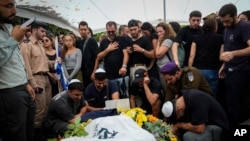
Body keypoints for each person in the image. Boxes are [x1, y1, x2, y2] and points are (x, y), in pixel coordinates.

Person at [0, 0, 35, 140]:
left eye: (14, 5)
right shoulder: (12, 34)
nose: (14, 11)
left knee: (29, 135)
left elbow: (13, 62)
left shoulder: (8, 28)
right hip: (8, 96)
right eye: (9, 6)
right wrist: (13, 40)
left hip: (22, 90)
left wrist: (25, 83)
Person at [218, 3, 250, 128]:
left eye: (227, 21)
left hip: (242, 71)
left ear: (235, 15)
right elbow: (228, 49)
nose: (225, 24)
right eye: (222, 21)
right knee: (231, 104)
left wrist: (233, 54)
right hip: (230, 70)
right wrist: (224, 65)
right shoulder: (227, 28)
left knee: (238, 105)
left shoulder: (245, 26)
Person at [20, 21, 52, 140]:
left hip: (46, 78)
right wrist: (32, 83)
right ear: (34, 30)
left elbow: (43, 63)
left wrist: (54, 63)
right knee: (39, 110)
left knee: (47, 107)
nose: (44, 33)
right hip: (36, 78)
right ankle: (35, 137)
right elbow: (26, 66)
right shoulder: (26, 44)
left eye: (44, 31)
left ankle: (44, 134)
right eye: (42, 31)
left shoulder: (39, 44)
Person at [162, 89, 229, 141]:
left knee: (188, 136)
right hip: (206, 125)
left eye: (177, 118)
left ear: (180, 110)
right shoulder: (182, 100)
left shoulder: (196, 99)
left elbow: (200, 128)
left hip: (218, 128)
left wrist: (179, 125)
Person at [92, 21, 129, 98]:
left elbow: (126, 53)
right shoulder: (104, 42)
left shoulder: (121, 39)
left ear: (116, 29)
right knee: (112, 99)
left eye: (113, 31)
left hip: (122, 75)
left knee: (125, 97)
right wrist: (108, 49)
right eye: (109, 32)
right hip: (109, 77)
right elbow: (98, 57)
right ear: (106, 30)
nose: (111, 33)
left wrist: (124, 66)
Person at [188, 19, 223, 97]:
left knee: (198, 95)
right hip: (213, 70)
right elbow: (221, 57)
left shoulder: (196, 38)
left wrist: (189, 70)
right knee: (212, 96)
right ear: (215, 27)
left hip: (198, 70)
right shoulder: (221, 38)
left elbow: (191, 55)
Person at [126, 19, 155, 84]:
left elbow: (152, 55)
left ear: (138, 28)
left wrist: (141, 50)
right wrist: (127, 52)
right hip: (130, 69)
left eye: (135, 29)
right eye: (131, 30)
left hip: (141, 67)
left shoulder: (145, 39)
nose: (133, 31)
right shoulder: (129, 41)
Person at [76, 21, 98, 88]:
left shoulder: (92, 41)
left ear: (88, 30)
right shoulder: (77, 42)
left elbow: (97, 58)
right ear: (78, 30)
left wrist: (94, 72)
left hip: (91, 73)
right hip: (81, 74)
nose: (83, 31)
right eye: (81, 29)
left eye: (85, 29)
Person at [43, 31, 59, 97]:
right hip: (47, 76)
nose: (45, 42)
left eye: (47, 40)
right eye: (43, 41)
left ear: (51, 41)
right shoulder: (42, 52)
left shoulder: (57, 52)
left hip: (58, 76)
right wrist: (51, 75)